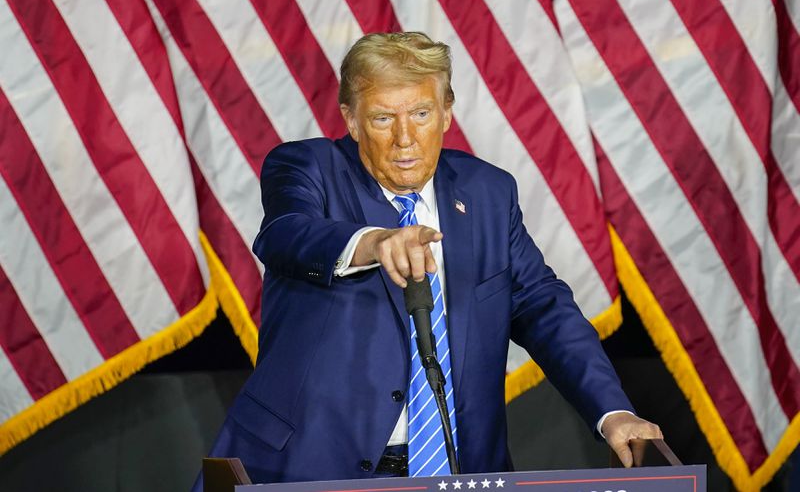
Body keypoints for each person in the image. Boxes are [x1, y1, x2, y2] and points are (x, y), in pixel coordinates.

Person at [194, 32, 661, 487]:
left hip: (457, 470)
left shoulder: (488, 193)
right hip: (308, 465)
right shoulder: (308, 168)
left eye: (421, 113)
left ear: (446, 114)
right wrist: (374, 243)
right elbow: (285, 234)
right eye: (382, 119)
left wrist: (612, 411)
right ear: (351, 120)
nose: (405, 138)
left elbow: (544, 308)